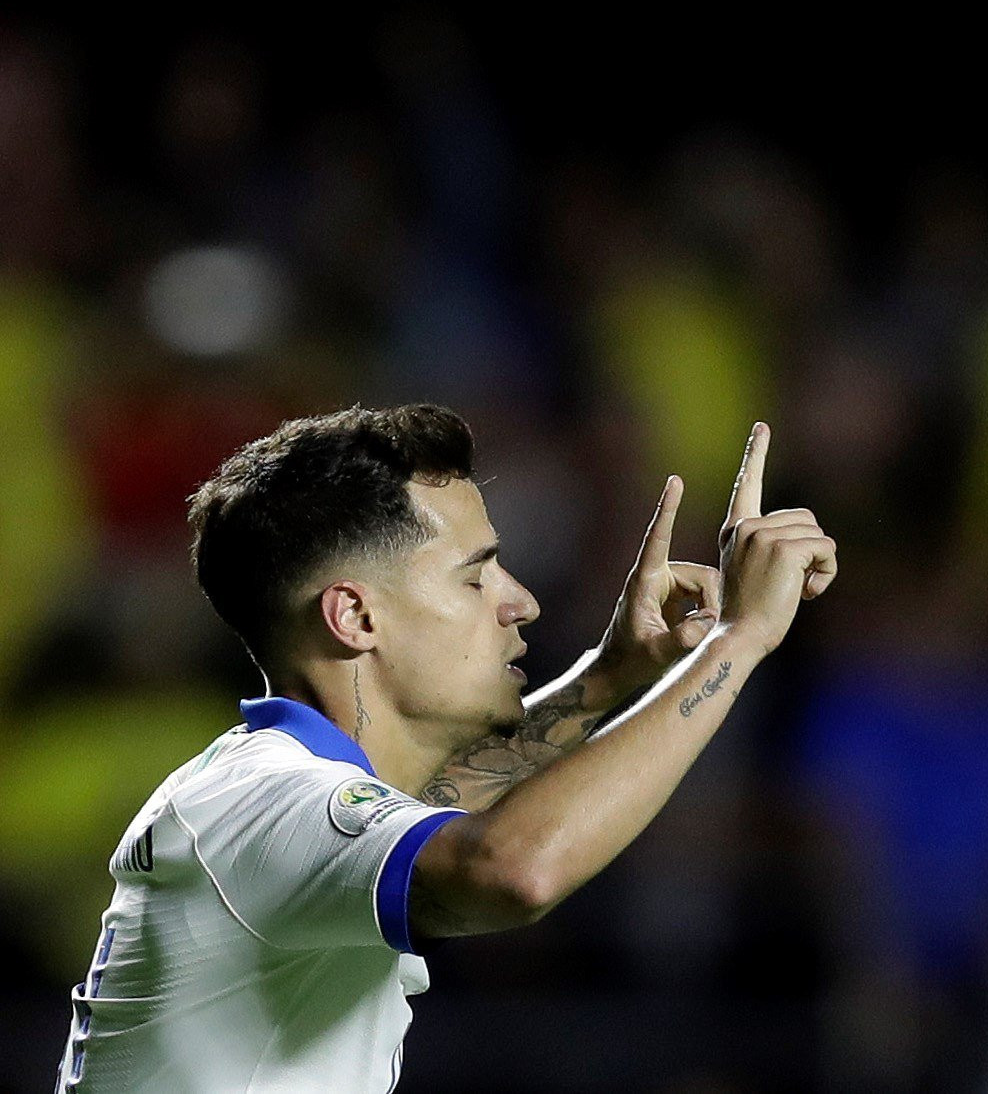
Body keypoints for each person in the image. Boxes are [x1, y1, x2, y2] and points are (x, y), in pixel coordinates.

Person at [54, 404, 835, 1091]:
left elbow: (441, 806)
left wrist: (611, 675)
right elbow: (511, 868)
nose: (520, 601)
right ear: (355, 617)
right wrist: (738, 641)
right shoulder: (263, 797)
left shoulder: (261, 793)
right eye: (474, 577)